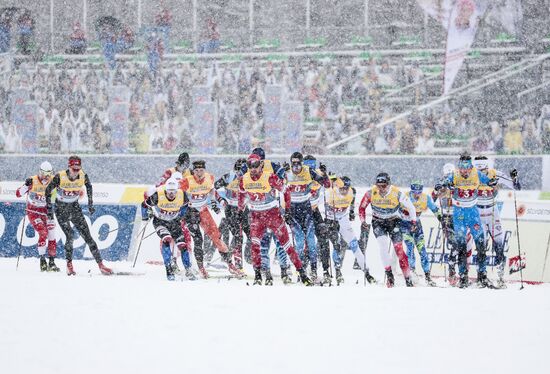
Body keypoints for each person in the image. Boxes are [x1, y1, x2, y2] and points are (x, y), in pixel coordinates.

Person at [238, 153, 312, 286]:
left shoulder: (270, 177)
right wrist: (240, 210)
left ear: (261, 164)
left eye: (255, 165)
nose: (253, 169)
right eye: (250, 166)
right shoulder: (244, 179)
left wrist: (288, 210)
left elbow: (286, 191)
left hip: (273, 216)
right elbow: (241, 195)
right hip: (256, 216)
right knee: (255, 246)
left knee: (287, 246)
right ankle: (258, 276)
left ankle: (302, 273)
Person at [435, 153, 497, 288]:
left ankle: (482, 276)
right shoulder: (455, 174)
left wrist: (492, 183)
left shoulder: (476, 173)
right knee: (462, 246)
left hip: (473, 213)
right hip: (459, 214)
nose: (464, 171)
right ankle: (463, 277)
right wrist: (440, 185)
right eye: (462, 168)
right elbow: (442, 182)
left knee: (481, 243)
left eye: (467, 168)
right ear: (459, 167)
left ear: (471, 167)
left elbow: (489, 181)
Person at [45, 155, 113, 276]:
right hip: (61, 209)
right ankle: (69, 265)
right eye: (74, 168)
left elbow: (89, 187)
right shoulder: (60, 176)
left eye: (78, 168)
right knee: (70, 236)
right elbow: (47, 191)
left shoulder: (83, 175)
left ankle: (101, 265)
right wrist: (49, 209)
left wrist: (90, 204)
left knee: (88, 237)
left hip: (74, 208)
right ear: (69, 167)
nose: (76, 171)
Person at [179, 160, 243, 278]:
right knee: (198, 240)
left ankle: (230, 264)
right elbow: (177, 194)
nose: (199, 173)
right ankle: (201, 268)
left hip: (203, 210)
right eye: (196, 171)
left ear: (205, 170)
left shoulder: (209, 178)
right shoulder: (187, 181)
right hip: (190, 212)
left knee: (217, 237)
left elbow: (212, 190)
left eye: (201, 170)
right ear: (193, 171)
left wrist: (217, 201)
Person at [358, 172, 415, 288]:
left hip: (394, 221)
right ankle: (389, 275)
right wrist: (363, 221)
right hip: (378, 222)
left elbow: (411, 207)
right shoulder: (371, 193)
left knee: (399, 250)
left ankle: (408, 278)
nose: (381, 189)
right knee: (383, 246)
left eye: (384, 186)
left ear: (389, 185)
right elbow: (361, 208)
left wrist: (413, 221)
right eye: (379, 186)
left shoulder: (396, 193)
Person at [472, 156, 521, 288]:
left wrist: (515, 178)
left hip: (493, 213)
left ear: (487, 166)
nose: (482, 173)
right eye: (479, 170)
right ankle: (481, 277)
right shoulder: (471, 176)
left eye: (484, 169)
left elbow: (516, 187)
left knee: (499, 245)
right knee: (480, 247)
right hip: (478, 214)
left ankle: (500, 277)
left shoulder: (495, 174)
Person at [285, 151, 330, 283]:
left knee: (311, 241)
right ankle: (300, 271)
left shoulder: (309, 171)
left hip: (307, 210)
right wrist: (285, 211)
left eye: (299, 163)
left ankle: (315, 269)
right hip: (293, 211)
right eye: (294, 163)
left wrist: (324, 174)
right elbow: (274, 186)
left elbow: (326, 184)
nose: (296, 166)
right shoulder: (287, 173)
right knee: (299, 243)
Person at [324, 176, 376, 285]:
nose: (344, 191)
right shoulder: (330, 193)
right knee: (336, 244)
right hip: (331, 220)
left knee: (354, 245)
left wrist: (352, 212)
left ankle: (366, 272)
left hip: (343, 219)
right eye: (342, 188)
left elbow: (352, 203)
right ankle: (337, 271)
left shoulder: (351, 192)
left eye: (346, 188)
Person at [143, 178, 192, 280]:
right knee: (166, 240)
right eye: (169, 191)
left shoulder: (182, 195)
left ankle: (188, 270)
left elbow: (186, 205)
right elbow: (144, 204)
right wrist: (145, 216)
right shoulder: (158, 195)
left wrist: (182, 216)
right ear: (165, 189)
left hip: (174, 222)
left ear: (177, 190)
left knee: (183, 245)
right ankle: (169, 269)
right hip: (160, 222)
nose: (171, 194)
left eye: (173, 191)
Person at [16, 161, 59, 272]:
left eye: (49, 174)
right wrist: (26, 185)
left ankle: (52, 262)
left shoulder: (53, 180)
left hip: (47, 211)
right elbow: (18, 194)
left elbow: (63, 190)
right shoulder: (32, 180)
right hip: (33, 211)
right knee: (43, 232)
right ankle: (42, 260)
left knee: (52, 234)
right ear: (40, 172)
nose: (46, 177)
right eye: (44, 174)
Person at [401, 180, 440, 286]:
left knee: (422, 250)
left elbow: (434, 208)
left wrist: (442, 219)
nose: (417, 195)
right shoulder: (405, 196)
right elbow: (396, 208)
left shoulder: (425, 198)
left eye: (419, 192)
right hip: (405, 225)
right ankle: (412, 273)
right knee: (410, 249)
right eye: (414, 192)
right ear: (411, 190)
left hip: (417, 226)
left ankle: (427, 276)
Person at [432, 163, 460, 285]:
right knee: (454, 243)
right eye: (447, 175)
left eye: (451, 174)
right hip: (446, 217)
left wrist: (454, 188)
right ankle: (452, 270)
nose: (448, 177)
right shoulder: (441, 183)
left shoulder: (458, 182)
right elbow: (432, 198)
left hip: (459, 216)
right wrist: (437, 189)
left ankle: (462, 271)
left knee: (462, 244)